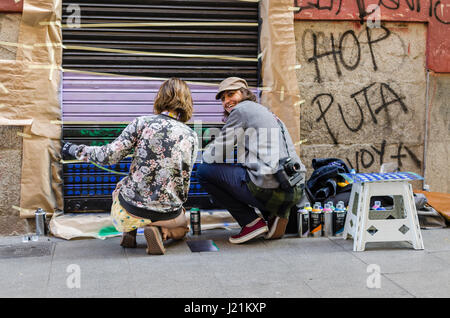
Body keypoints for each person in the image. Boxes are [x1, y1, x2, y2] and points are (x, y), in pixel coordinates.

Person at [62, 78, 199, 255]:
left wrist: (75, 149)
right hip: (167, 212)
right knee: (182, 229)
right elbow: (184, 180)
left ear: (160, 98)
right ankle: (160, 231)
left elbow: (108, 156)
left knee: (122, 186)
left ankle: (130, 229)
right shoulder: (192, 135)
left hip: (133, 208)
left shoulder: (142, 123)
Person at [196, 77, 306, 244]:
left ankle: (250, 223)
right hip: (293, 189)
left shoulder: (241, 111)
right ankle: (274, 215)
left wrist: (198, 158)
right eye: (223, 98)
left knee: (204, 172)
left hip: (269, 188)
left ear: (244, 93)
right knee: (243, 169)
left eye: (231, 94)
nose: (226, 101)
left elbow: (216, 152)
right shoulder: (266, 112)